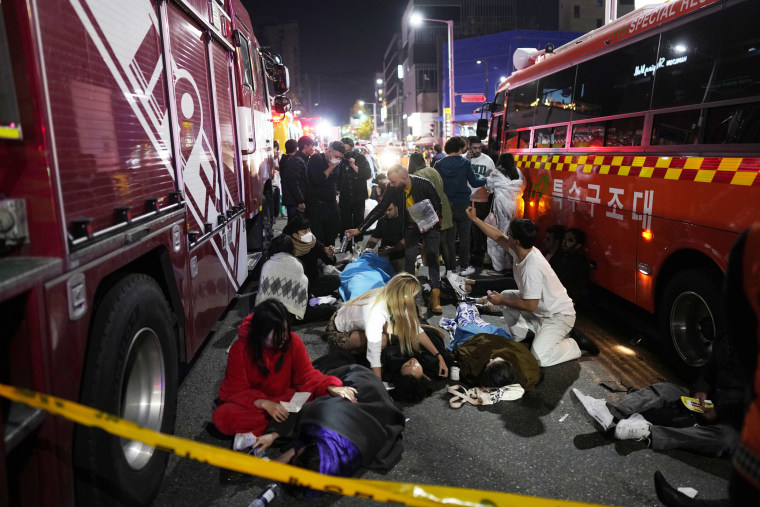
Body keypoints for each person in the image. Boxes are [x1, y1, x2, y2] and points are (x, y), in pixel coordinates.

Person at [212, 300, 356, 450]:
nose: (282, 338)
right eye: (275, 336)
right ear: (260, 333)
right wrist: (263, 403)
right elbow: (234, 390)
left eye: (284, 332)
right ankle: (282, 429)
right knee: (222, 417)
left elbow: (307, 377)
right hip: (256, 403)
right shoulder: (240, 348)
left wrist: (331, 387)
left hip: (287, 398)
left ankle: (261, 433)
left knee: (314, 398)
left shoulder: (293, 341)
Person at [466, 213, 600, 366]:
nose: (506, 236)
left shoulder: (532, 266)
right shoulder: (520, 249)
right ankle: (525, 337)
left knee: (539, 358)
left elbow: (531, 305)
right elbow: (498, 236)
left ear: (516, 241)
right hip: (542, 309)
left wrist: (502, 301)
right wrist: (476, 219)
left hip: (558, 315)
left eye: (509, 234)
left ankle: (574, 344)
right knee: (507, 294)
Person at [251, 362, 405, 494]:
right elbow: (298, 406)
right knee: (308, 388)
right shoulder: (322, 413)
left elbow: (309, 451)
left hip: (367, 403)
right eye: (298, 455)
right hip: (357, 378)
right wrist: (273, 435)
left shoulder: (338, 461)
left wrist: (273, 462)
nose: (296, 452)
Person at [345, 164, 445, 313]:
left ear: (404, 178)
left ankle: (435, 295)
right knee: (409, 260)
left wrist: (431, 223)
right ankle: (410, 299)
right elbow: (379, 209)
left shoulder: (424, 184)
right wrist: (360, 229)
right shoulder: (393, 189)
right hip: (410, 227)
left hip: (429, 225)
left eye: (393, 181)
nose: (390, 185)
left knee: (432, 257)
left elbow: (438, 205)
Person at [323, 273, 449, 379]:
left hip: (354, 320)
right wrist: (378, 385)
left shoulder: (393, 295)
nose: (411, 299)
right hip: (337, 332)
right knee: (383, 340)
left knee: (397, 332)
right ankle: (355, 350)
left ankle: (361, 343)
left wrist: (438, 356)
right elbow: (374, 352)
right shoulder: (375, 312)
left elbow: (415, 328)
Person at [435, 137, 487, 277]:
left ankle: (450, 269)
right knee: (465, 237)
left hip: (446, 205)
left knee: (449, 239)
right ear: (459, 149)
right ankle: (464, 267)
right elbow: (475, 182)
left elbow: (435, 185)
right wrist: (487, 178)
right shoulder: (464, 163)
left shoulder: (438, 164)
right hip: (463, 204)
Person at [255, 235, 336, 323]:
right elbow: (304, 286)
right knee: (330, 309)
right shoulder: (295, 263)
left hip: (266, 313)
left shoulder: (267, 263)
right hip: (289, 316)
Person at [408, 153, 454, 272]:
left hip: (430, 211)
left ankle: (433, 274)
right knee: (444, 243)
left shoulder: (416, 176)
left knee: (431, 245)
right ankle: (450, 272)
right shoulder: (432, 170)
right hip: (444, 207)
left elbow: (418, 199)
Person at [454, 333, 540, 390]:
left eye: (491, 362)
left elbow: (479, 339)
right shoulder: (529, 375)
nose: (490, 359)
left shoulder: (526, 374)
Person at [282, 214, 340, 298]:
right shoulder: (286, 245)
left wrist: (329, 255)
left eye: (309, 230)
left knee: (335, 280)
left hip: (312, 280)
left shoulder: (313, 242)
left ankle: (310, 295)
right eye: (304, 232)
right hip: (294, 282)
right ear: (295, 235)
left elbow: (329, 262)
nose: (308, 233)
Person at [485, 153, 524, 275]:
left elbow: (489, 188)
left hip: (501, 205)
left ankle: (499, 267)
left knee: (498, 235)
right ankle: (510, 265)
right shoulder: (517, 172)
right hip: (517, 205)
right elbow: (523, 185)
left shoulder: (496, 173)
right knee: (512, 235)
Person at [306, 140, 345, 245]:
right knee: (318, 237)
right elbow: (318, 179)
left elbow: (341, 178)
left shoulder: (339, 163)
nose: (338, 159)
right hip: (316, 204)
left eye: (340, 157)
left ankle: (329, 257)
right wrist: (331, 166)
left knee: (332, 233)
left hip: (331, 204)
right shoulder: (316, 159)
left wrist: (337, 192)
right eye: (336, 156)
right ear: (328, 151)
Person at [466, 137, 496, 264]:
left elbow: (492, 179)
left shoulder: (488, 160)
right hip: (467, 199)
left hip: (482, 200)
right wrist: (467, 160)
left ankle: (479, 253)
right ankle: (469, 253)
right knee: (467, 228)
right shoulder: (464, 158)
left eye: (479, 147)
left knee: (480, 227)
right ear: (469, 146)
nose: (477, 150)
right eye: (474, 148)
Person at [338, 137, 372, 250]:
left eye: (347, 151)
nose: (345, 153)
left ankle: (358, 248)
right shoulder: (338, 159)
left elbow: (367, 174)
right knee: (345, 223)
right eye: (344, 150)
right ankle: (347, 250)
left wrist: (353, 165)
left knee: (359, 222)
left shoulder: (360, 158)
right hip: (344, 197)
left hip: (358, 196)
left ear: (352, 148)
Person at [364, 200, 405, 274]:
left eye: (390, 209)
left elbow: (405, 242)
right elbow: (374, 239)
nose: (387, 213)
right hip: (384, 256)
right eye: (385, 210)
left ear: (397, 207)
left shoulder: (405, 220)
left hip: (400, 256)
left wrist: (390, 250)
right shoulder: (382, 220)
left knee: (400, 280)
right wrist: (367, 251)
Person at [550, 228, 589, 302]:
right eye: (564, 239)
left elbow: (575, 289)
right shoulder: (559, 254)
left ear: (578, 246)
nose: (565, 242)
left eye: (570, 240)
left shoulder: (579, 263)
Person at [281, 136, 314, 218]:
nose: (313, 149)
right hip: (294, 203)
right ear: (305, 146)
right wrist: (300, 201)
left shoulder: (302, 159)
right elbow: (293, 182)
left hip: (297, 201)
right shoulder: (296, 160)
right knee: (295, 226)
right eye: (311, 146)